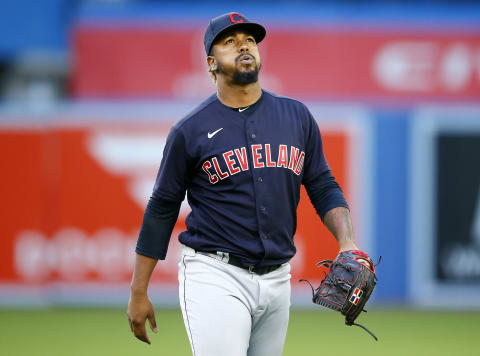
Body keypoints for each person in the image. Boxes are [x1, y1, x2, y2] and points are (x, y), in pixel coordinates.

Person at [127, 12, 359, 356]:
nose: (243, 46)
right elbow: (162, 206)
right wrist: (138, 290)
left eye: (249, 40)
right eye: (229, 42)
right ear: (211, 63)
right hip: (215, 274)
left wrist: (347, 242)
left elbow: (322, 184)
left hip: (279, 277)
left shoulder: (296, 116)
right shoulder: (189, 130)